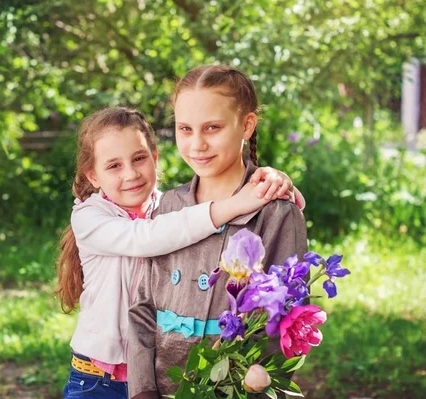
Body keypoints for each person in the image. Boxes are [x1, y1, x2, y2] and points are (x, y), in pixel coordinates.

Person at [56, 107, 302, 399]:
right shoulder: (89, 218)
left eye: (139, 158)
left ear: (155, 158)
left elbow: (205, 209)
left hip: (159, 374)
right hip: (98, 380)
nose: (131, 174)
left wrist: (273, 183)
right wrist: (237, 204)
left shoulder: (169, 207)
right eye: (114, 166)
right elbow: (148, 238)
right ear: (92, 175)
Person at [127, 65, 308, 399]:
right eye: (185, 128)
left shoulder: (276, 212)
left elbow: (284, 320)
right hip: (164, 387)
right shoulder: (168, 206)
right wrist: (142, 391)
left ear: (247, 125)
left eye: (212, 128)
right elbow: (141, 308)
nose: (197, 144)